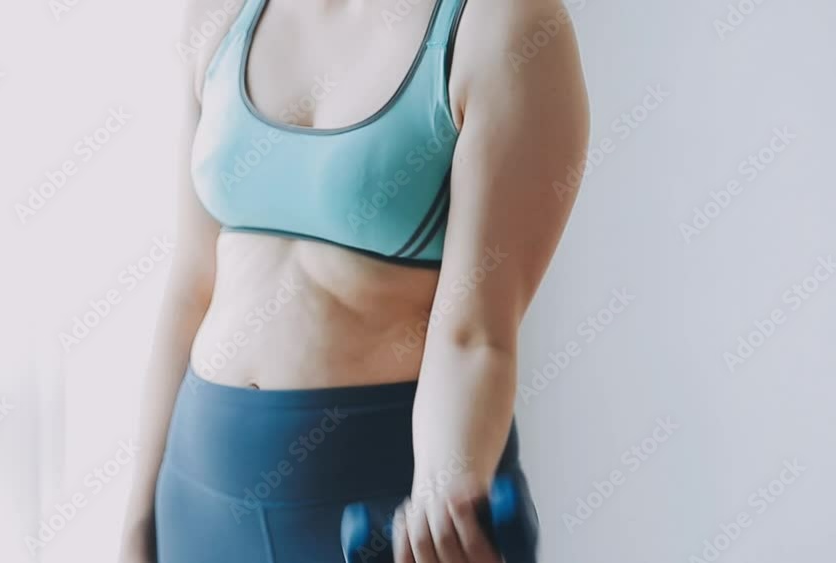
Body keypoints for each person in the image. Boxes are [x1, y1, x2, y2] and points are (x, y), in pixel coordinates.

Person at [119, 0, 588, 560]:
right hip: (195, 502)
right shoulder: (218, 12)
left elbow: (477, 332)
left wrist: (441, 494)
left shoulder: (505, 26)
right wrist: (137, 520)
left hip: (377, 511)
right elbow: (193, 283)